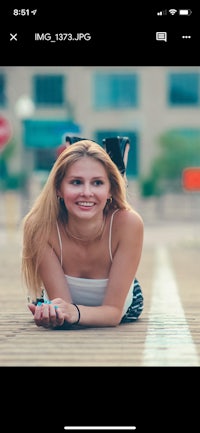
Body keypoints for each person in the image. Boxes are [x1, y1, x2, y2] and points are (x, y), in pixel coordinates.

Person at [21, 140, 144, 329]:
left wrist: (73, 312)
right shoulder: (39, 227)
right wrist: (55, 315)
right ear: (58, 189)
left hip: (122, 306)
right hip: (63, 300)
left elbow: (112, 313)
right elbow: (64, 308)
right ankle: (95, 160)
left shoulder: (129, 223)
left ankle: (117, 173)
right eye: (76, 182)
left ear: (110, 189)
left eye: (97, 183)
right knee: (45, 303)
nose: (86, 193)